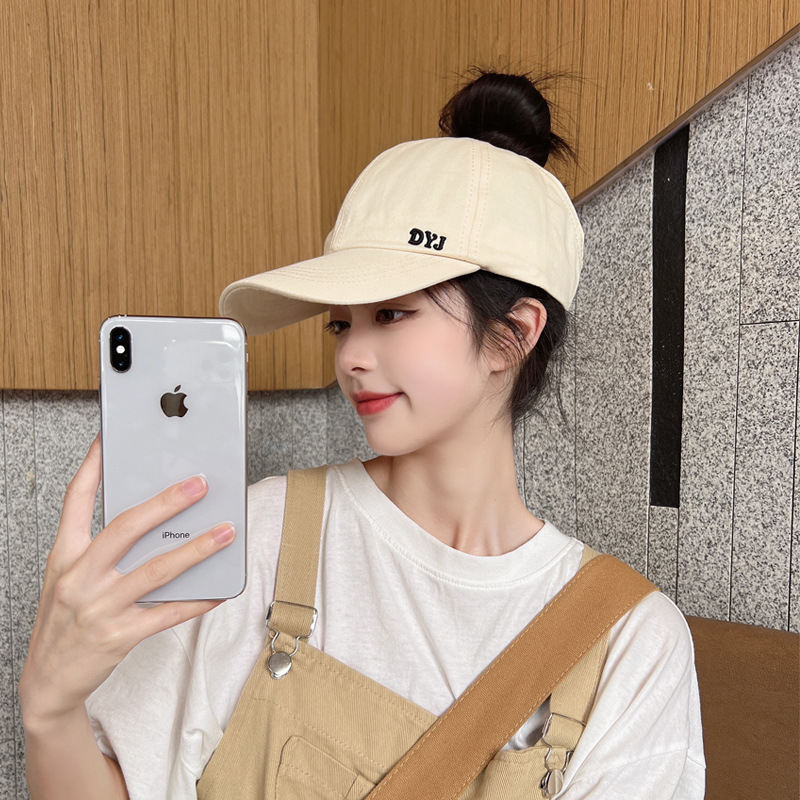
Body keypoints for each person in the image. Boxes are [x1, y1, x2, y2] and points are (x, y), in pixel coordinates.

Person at [18, 70, 705, 799]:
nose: (349, 356)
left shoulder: (629, 644)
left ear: (512, 335)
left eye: (392, 314)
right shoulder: (257, 537)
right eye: (341, 323)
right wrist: (49, 711)